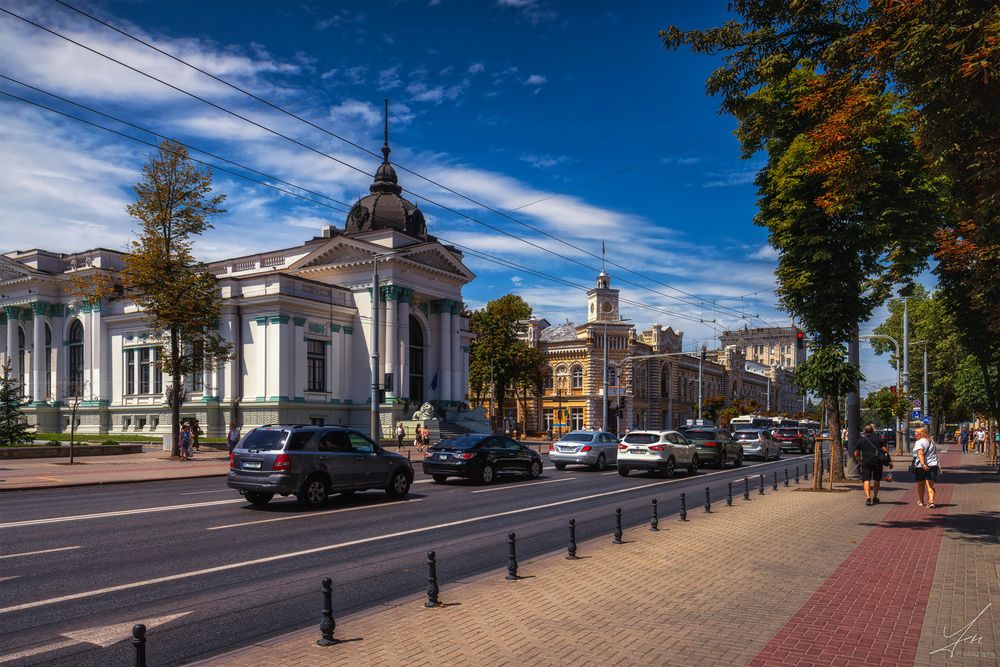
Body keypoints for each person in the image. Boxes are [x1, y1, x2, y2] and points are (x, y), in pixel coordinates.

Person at [854, 423, 891, 506]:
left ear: (864, 431)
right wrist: (889, 461)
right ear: (873, 430)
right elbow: (885, 451)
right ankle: (875, 497)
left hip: (866, 462)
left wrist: (859, 458)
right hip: (877, 462)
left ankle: (868, 498)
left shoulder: (861, 440)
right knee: (876, 480)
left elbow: (856, 453)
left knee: (866, 480)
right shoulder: (879, 439)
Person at [912, 427, 940, 508]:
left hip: (921, 466)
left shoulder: (919, 442)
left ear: (921, 434)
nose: (915, 435)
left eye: (916, 434)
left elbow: (920, 453)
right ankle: (931, 502)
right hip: (933, 465)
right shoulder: (932, 441)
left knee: (920, 484)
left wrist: (923, 464)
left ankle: (921, 501)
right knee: (930, 485)